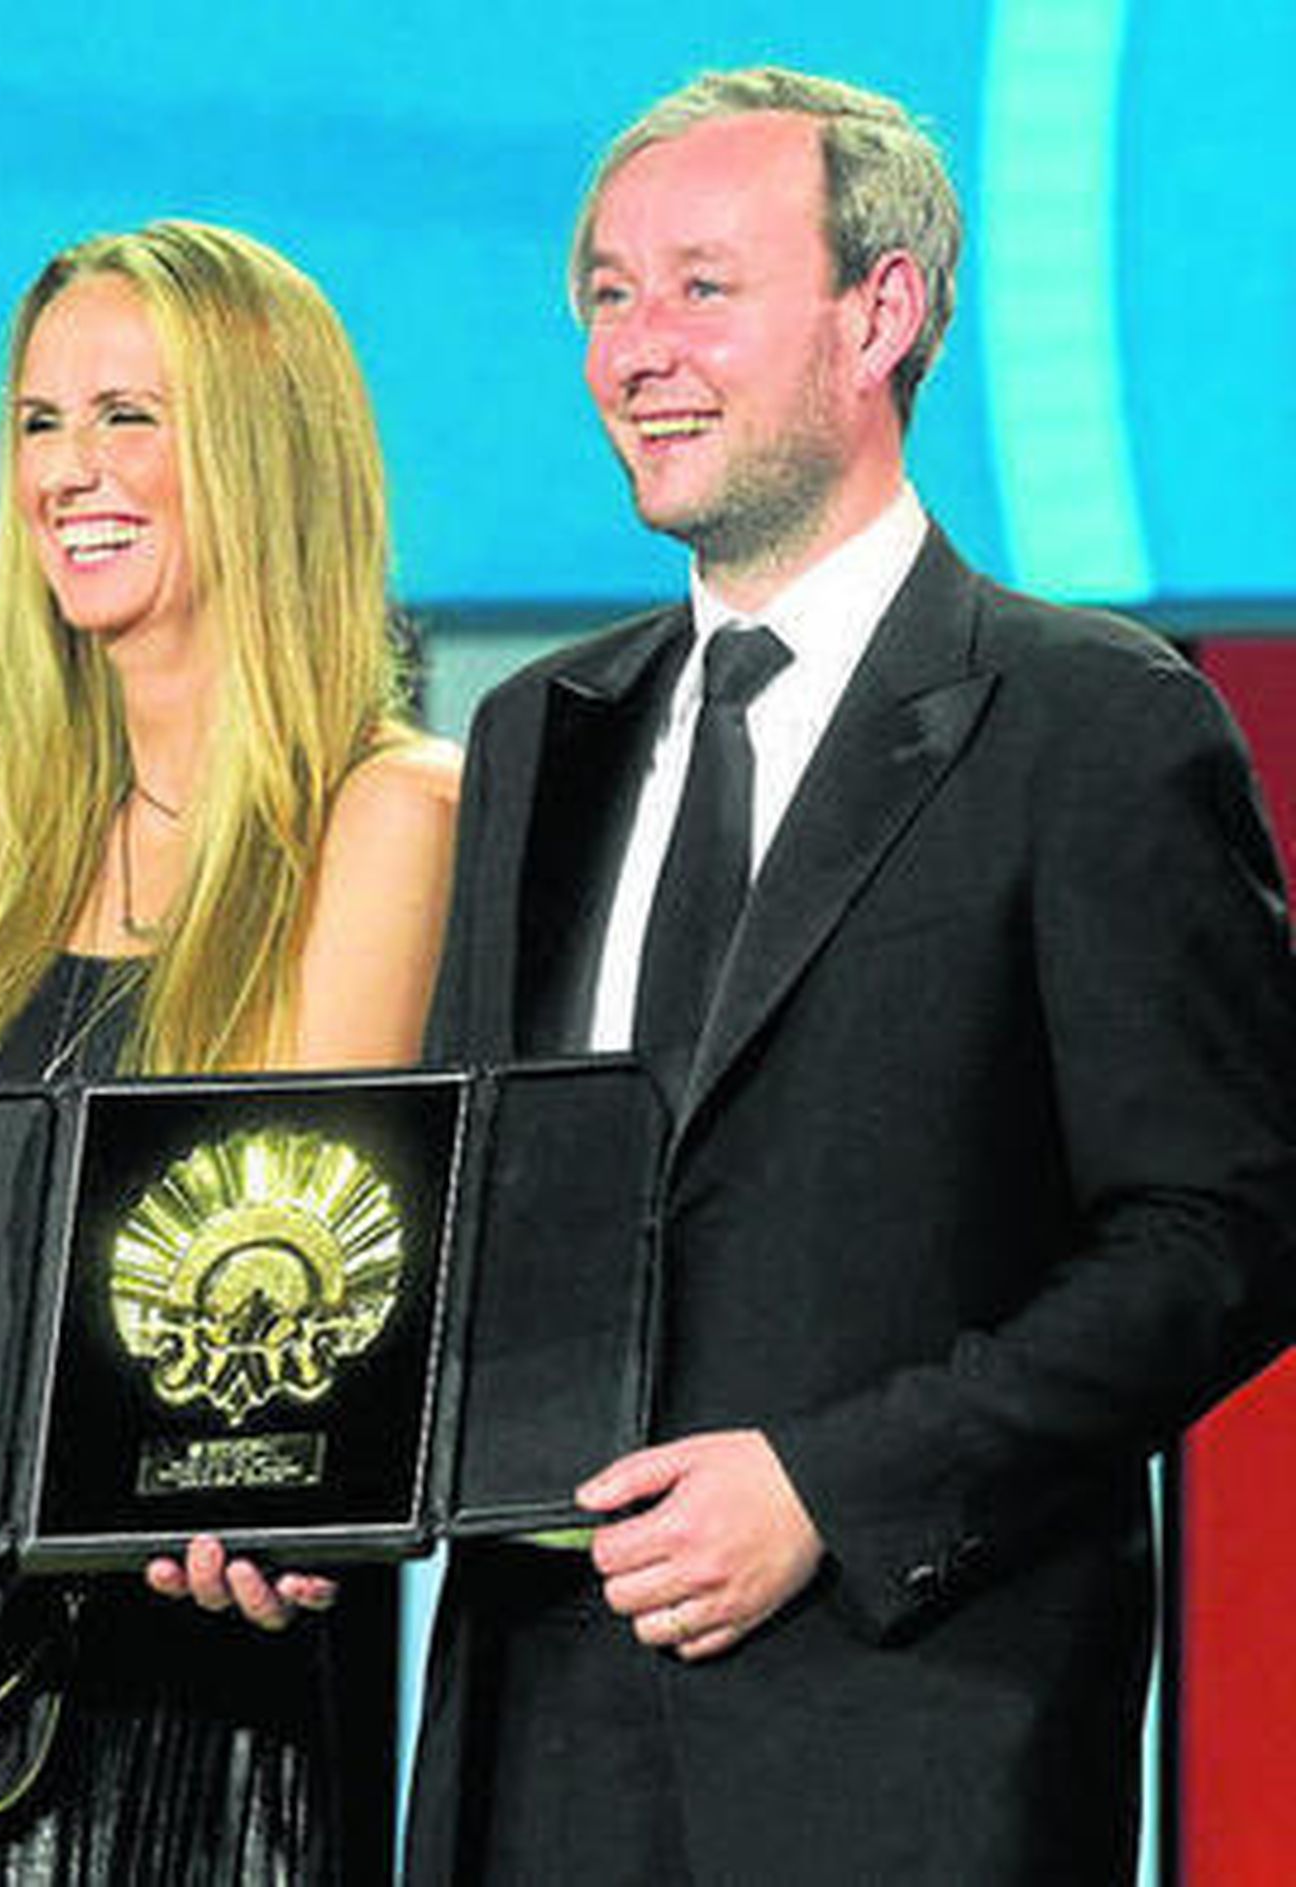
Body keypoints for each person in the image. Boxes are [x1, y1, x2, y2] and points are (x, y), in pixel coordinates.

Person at [405, 64, 1296, 1885]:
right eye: (605, 293)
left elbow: (1228, 1225)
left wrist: (831, 1486)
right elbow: (473, 1209)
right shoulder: (531, 737)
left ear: (880, 314)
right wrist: (270, 1479)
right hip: (537, 1752)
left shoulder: (1094, 721)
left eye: (704, 286)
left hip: (906, 1754)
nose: (637, 347)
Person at [0, 217, 459, 1883]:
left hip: (159, 1703)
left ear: (263, 454)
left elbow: (225, 1319)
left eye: (130, 416)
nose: (68, 471)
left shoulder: (385, 811)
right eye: (40, 422)